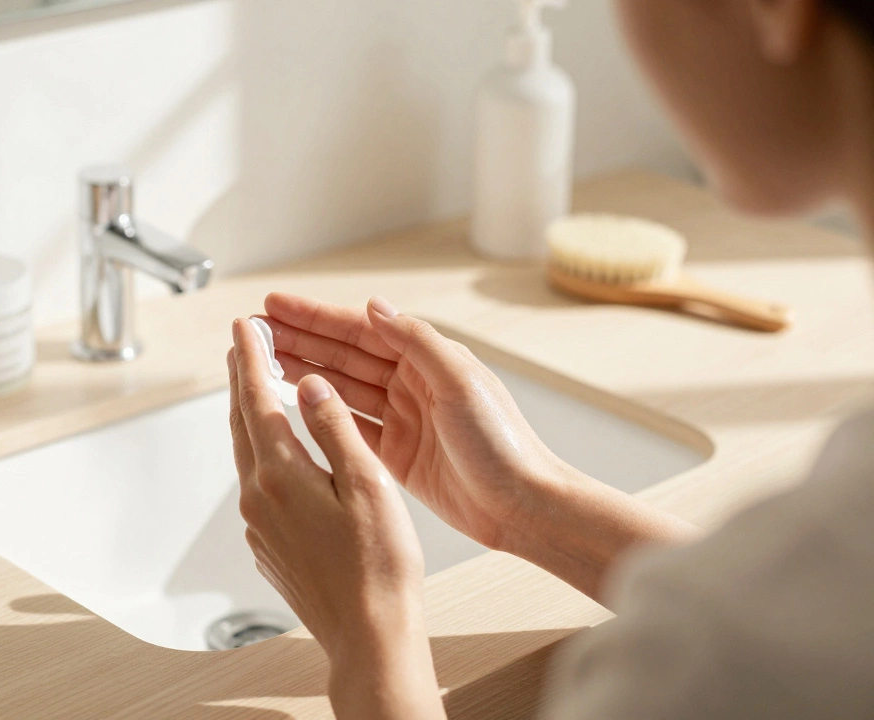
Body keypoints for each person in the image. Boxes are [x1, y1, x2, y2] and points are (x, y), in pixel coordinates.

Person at [227, 1, 874, 718]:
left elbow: (749, 644)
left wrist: (368, 629)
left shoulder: (707, 665)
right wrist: (530, 503)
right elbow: (794, 610)